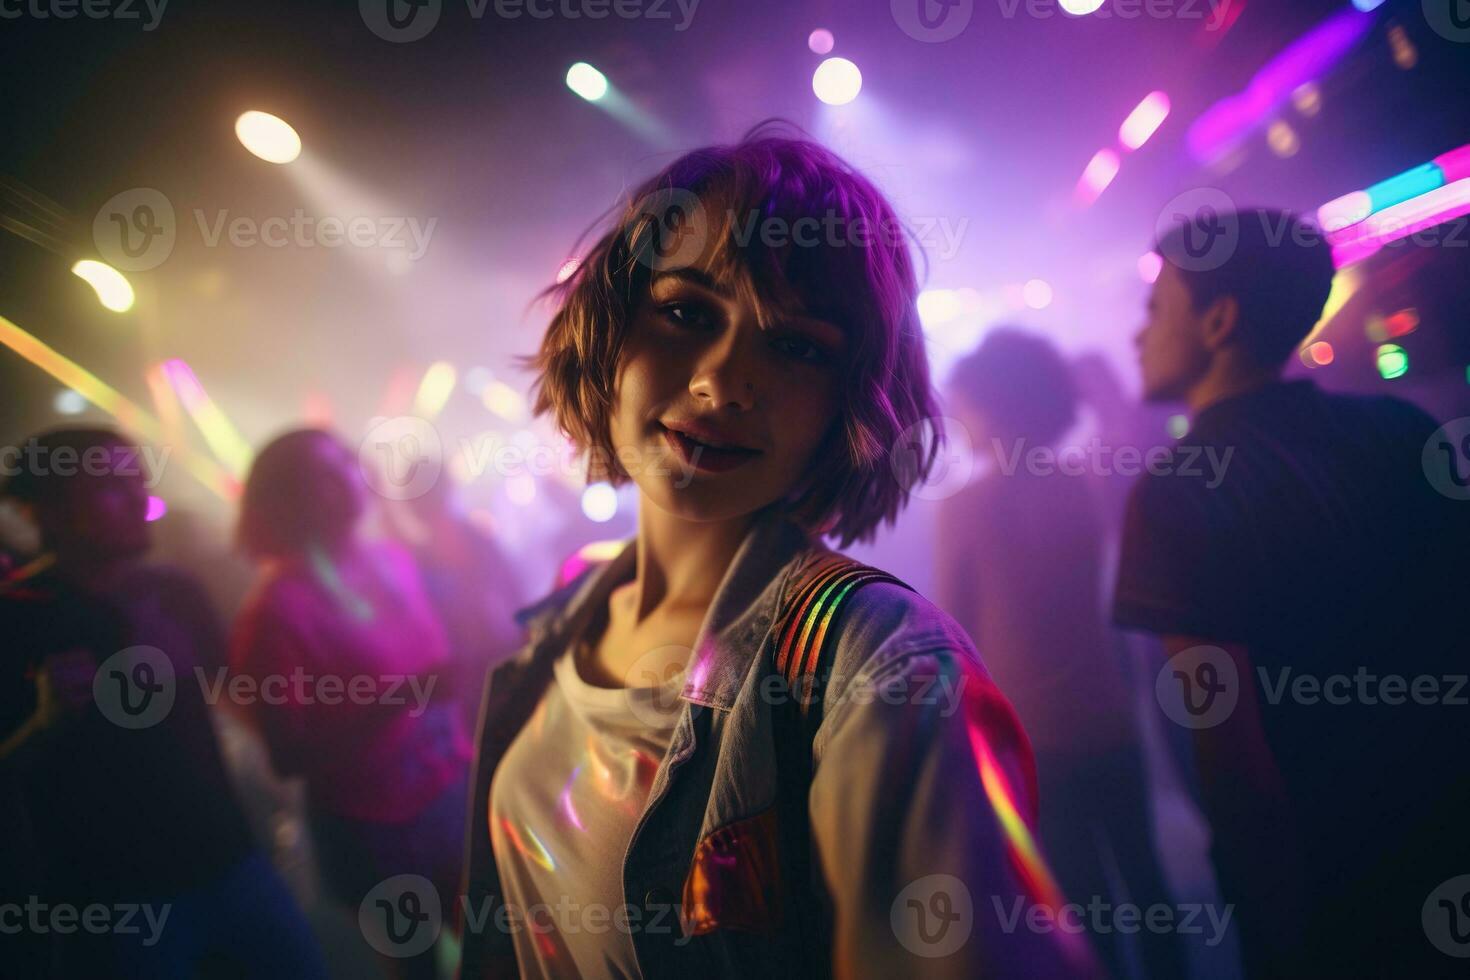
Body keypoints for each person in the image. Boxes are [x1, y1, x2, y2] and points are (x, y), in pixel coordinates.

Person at [458, 122, 1096, 979]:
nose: (723, 381)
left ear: (850, 403)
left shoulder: (880, 669)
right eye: (686, 312)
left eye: (795, 346)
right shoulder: (570, 607)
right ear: (609, 328)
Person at [1114, 208, 1468, 977]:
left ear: (1219, 322)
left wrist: (1274, 928)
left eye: (1154, 309)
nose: (1138, 334)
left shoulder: (1178, 490)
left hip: (1324, 882)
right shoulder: (1398, 429)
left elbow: (1230, 755)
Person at [0, 427, 325, 979]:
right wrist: (42, 724)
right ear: (48, 513)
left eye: (138, 481)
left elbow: (239, 697)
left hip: (231, 861)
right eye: (107, 487)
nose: (137, 500)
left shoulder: (174, 590)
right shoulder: (18, 617)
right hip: (120, 904)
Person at [936, 329, 1184, 979]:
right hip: (1112, 720)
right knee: (1147, 881)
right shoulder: (1083, 487)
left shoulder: (964, 510)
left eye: (964, 404)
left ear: (995, 407)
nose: (956, 417)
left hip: (1029, 739)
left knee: (1075, 901)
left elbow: (952, 641)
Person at [229, 428, 472, 980]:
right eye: (323, 474)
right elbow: (287, 754)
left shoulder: (391, 558)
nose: (347, 480)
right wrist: (398, 701)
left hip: (450, 789)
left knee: (500, 951)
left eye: (348, 463)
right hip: (377, 827)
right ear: (286, 499)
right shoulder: (276, 609)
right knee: (420, 970)